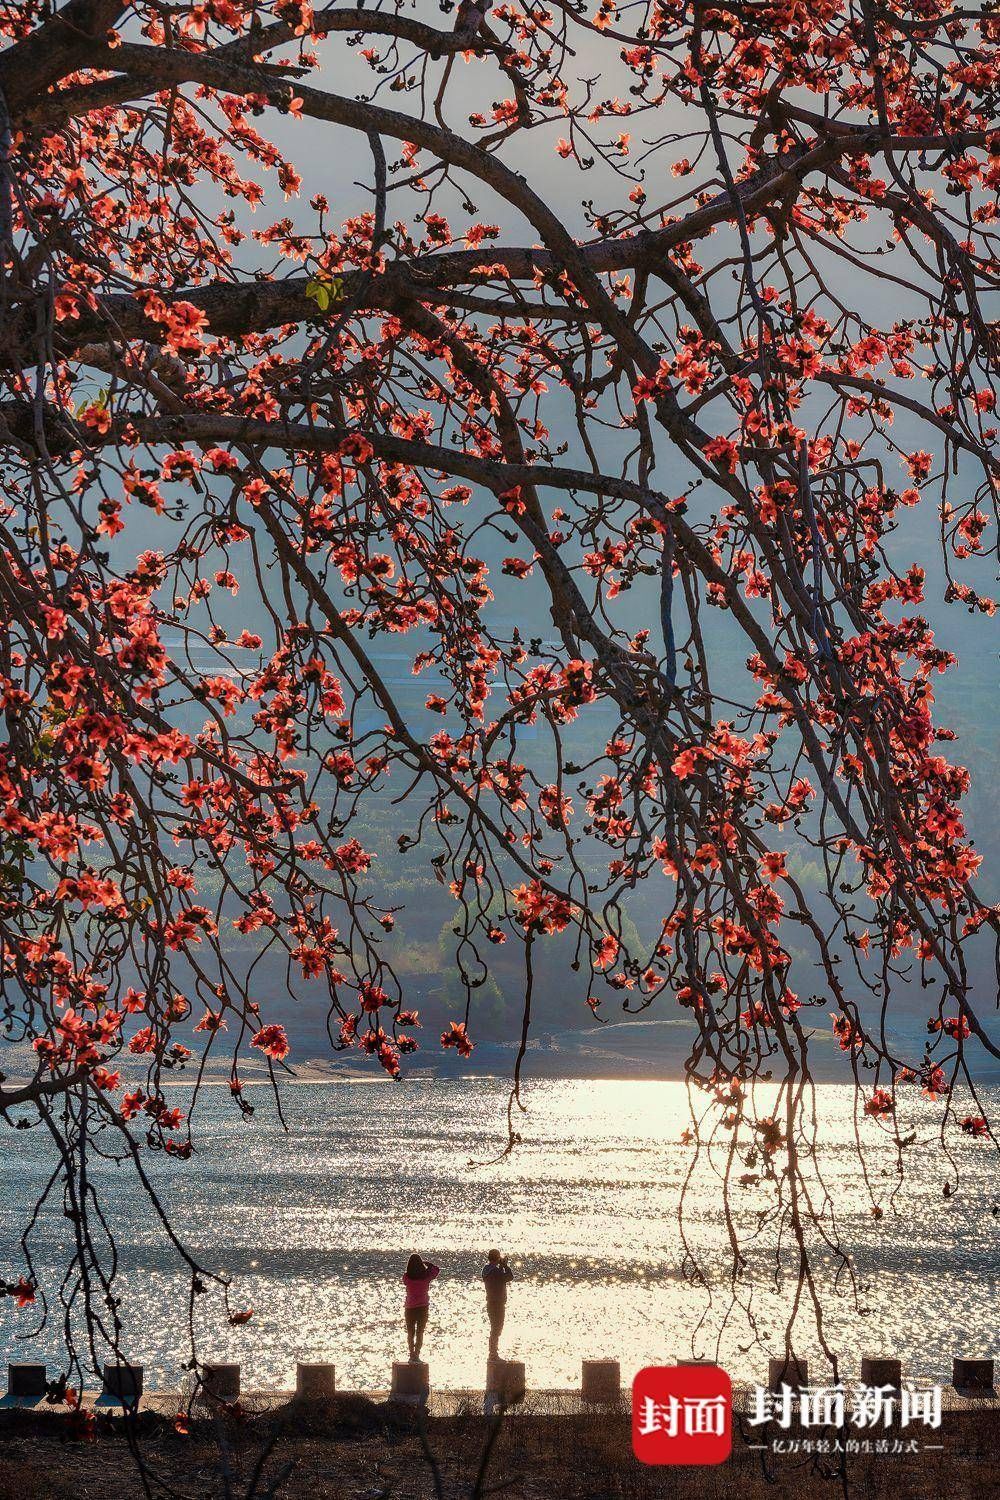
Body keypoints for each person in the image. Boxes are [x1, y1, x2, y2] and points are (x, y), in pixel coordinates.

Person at [402, 1253, 439, 1361]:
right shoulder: (426, 1277)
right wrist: (428, 1264)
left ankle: (411, 1354)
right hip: (423, 1307)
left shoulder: (406, 1277)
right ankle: (417, 1354)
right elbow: (436, 1270)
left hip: (409, 1308)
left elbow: (405, 1282)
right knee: (420, 1332)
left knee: (410, 1332)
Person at [482, 1247, 514, 1359]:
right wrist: (505, 1266)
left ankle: (492, 1352)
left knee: (494, 1328)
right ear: (497, 1258)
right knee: (497, 1328)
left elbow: (499, 1278)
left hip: (491, 1302)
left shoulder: (486, 1269)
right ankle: (493, 1353)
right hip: (498, 1303)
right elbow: (509, 1277)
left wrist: (500, 1266)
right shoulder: (495, 1271)